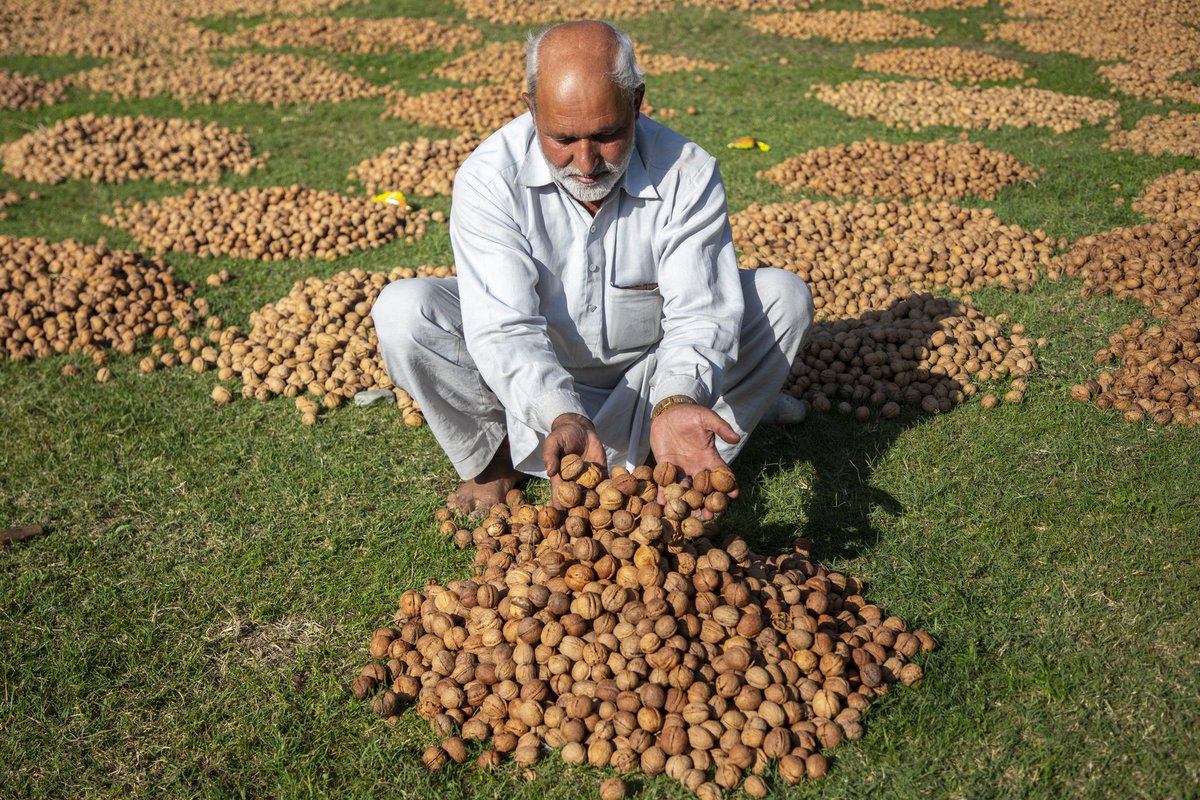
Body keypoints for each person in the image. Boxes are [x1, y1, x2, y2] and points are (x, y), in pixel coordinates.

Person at [373, 20, 813, 515]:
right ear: (531, 108)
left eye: (607, 135)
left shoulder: (688, 172)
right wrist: (560, 413)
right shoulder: (489, 177)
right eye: (562, 138)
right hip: (542, 374)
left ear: (637, 102)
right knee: (403, 311)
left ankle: (681, 451)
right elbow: (504, 327)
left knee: (784, 297)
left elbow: (701, 314)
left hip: (653, 372)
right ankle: (497, 462)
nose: (585, 163)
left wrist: (675, 399)